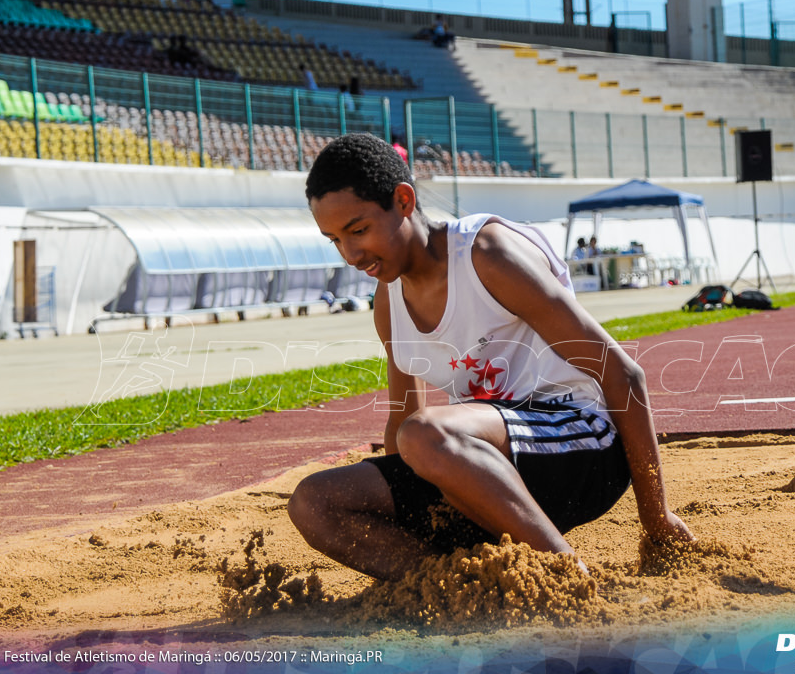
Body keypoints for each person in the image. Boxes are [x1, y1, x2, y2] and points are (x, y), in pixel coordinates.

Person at [288, 134, 693, 581]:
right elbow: (400, 427)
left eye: (359, 230)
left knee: (425, 434)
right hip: (491, 472)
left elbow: (624, 375)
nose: (351, 255)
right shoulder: (388, 301)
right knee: (313, 501)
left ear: (403, 201)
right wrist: (409, 509)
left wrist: (658, 521)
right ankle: (449, 588)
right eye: (335, 241)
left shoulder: (487, 255)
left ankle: (567, 578)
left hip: (586, 450)